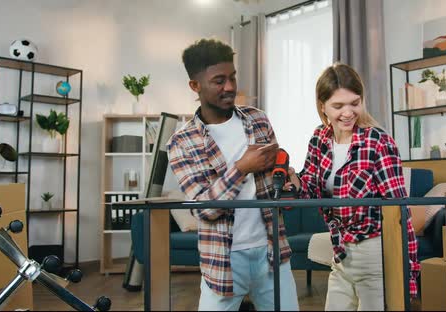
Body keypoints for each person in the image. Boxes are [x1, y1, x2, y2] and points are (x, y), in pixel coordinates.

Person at [167, 38, 299, 311]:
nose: (229, 87)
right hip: (223, 259)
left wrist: (289, 179)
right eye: (218, 81)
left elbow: (278, 177)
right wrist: (241, 168)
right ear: (195, 85)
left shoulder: (258, 119)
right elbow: (204, 208)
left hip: (272, 251)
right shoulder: (182, 142)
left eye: (232, 77)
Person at [286, 63, 419, 311]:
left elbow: (399, 210)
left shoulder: (377, 141)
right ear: (322, 106)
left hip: (373, 252)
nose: (348, 112)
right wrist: (293, 179)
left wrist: (409, 273)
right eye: (338, 106)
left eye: (354, 103)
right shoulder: (319, 138)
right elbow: (310, 191)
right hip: (340, 252)